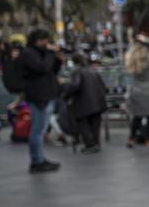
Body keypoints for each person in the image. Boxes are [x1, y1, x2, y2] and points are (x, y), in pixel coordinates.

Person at [16, 28, 63, 173]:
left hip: (46, 94)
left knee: (40, 129)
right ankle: (36, 162)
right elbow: (42, 68)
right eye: (45, 40)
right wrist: (49, 53)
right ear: (38, 40)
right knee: (37, 130)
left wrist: (57, 59)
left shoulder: (41, 53)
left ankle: (40, 158)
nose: (48, 43)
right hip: (38, 96)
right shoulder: (29, 53)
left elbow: (51, 70)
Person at [62, 52, 107, 153]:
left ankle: (90, 144)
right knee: (95, 122)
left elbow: (75, 86)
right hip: (98, 101)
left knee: (82, 122)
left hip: (84, 102)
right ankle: (96, 143)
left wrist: (66, 95)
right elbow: (103, 86)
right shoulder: (93, 70)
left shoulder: (77, 72)